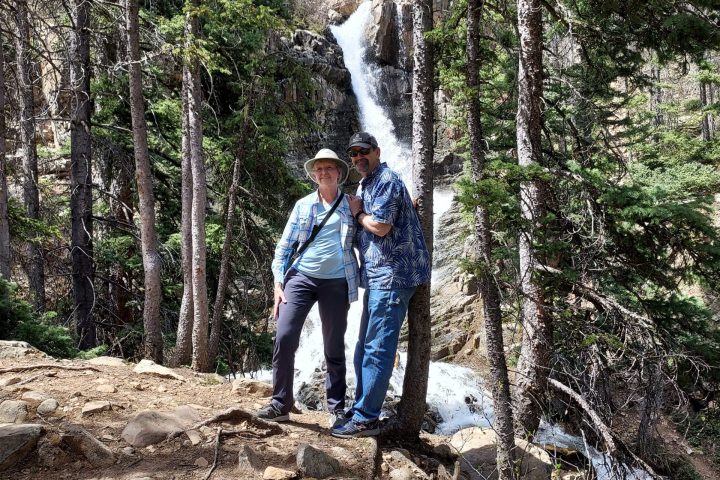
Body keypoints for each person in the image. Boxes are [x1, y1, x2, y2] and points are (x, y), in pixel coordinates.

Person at [331, 132, 431, 438]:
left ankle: (367, 418)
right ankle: (363, 406)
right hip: (378, 277)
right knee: (365, 345)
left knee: (377, 348)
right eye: (353, 154)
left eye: (363, 151)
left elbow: (382, 226)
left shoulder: (385, 179)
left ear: (376, 151)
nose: (358, 157)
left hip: (393, 276)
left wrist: (358, 213)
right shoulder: (369, 182)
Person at [257, 148, 358, 425]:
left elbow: (370, 234)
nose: (323, 173)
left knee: (334, 345)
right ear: (314, 175)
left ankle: (337, 407)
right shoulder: (303, 206)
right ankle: (281, 403)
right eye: (319, 169)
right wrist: (278, 284)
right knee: (285, 337)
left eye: (329, 168)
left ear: (339, 172)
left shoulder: (351, 205)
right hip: (300, 278)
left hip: (337, 281)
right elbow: (284, 247)